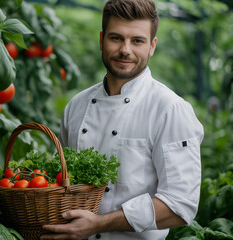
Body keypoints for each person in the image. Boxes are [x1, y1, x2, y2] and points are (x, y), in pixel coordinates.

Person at [40, 0, 204, 239]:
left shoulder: (170, 110)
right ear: (101, 40)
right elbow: (62, 184)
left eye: (137, 40)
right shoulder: (76, 105)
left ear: (152, 46)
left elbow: (180, 205)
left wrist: (98, 224)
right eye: (116, 38)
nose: (125, 49)